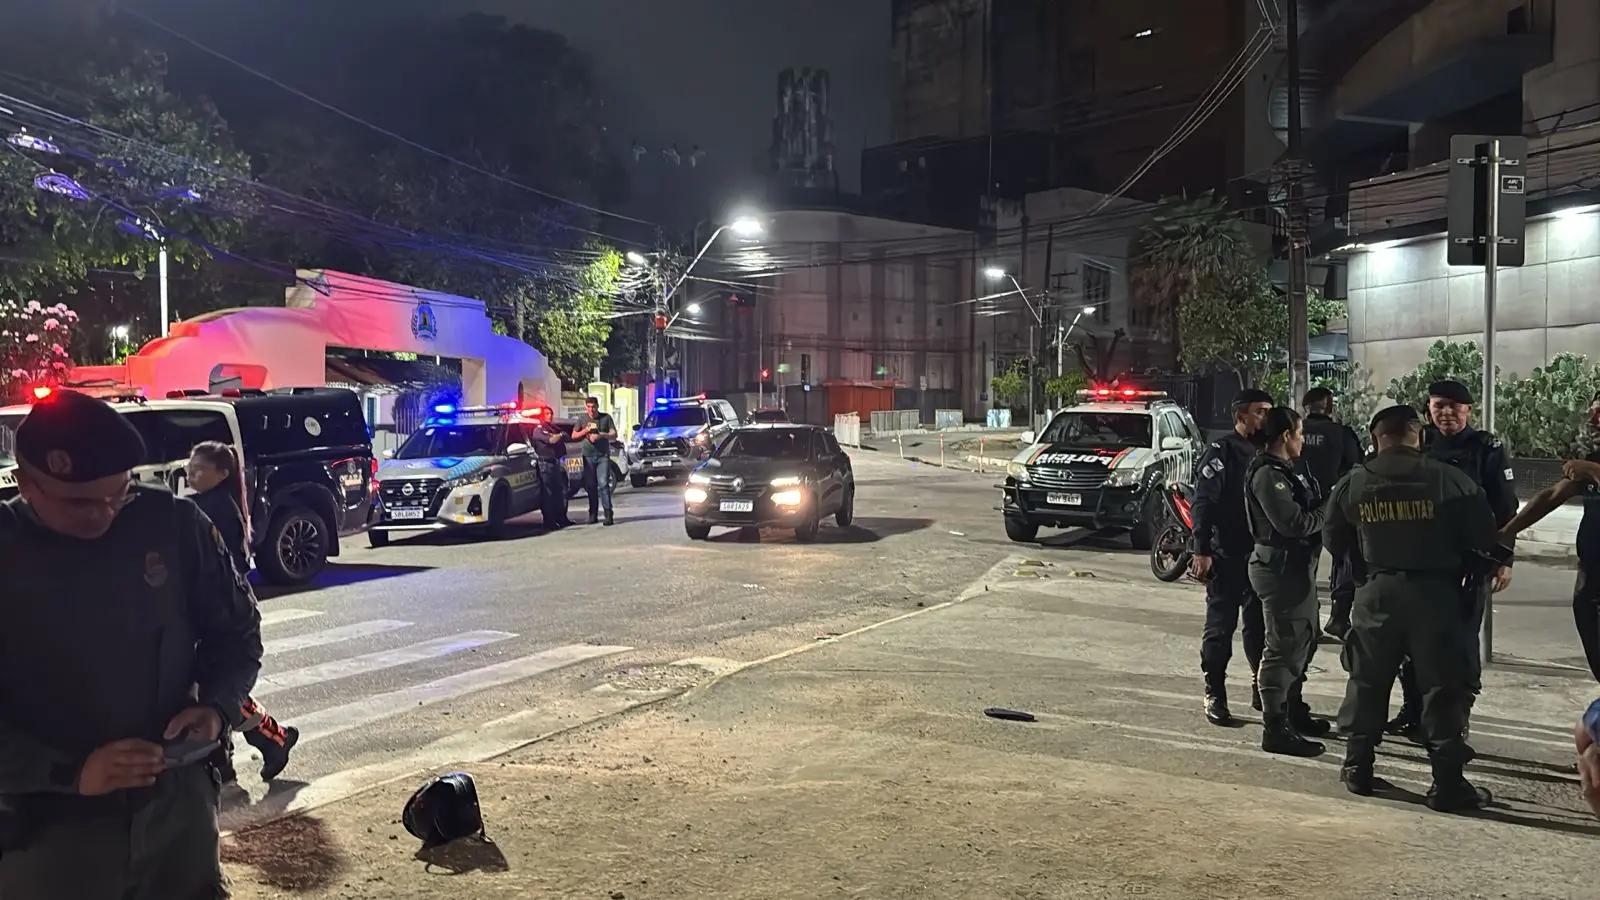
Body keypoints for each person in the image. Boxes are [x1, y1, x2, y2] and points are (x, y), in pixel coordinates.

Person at [0, 390, 262, 897]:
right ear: (25, 483)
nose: (101, 516)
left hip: (176, 816)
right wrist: (71, 772)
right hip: (47, 832)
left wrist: (216, 707)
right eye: (78, 504)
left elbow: (238, 635)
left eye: (117, 495)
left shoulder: (174, 525)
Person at [1324, 403, 1499, 811]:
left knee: (1367, 680)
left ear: (1376, 438)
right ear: (1418, 435)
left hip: (1377, 594)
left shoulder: (1354, 483)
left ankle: (1358, 767)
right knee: (1443, 686)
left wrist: (1367, 571)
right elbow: (1483, 538)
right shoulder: (1450, 479)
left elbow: (1335, 541)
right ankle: (1447, 783)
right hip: (1436, 596)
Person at [1387, 379, 1517, 740]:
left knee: (1460, 645)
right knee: (1411, 643)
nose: (1445, 412)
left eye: (1454, 406)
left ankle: (1457, 720)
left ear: (1468, 410)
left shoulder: (1486, 448)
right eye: (1438, 405)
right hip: (1418, 562)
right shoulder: (1418, 443)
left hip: (1466, 565)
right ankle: (1414, 712)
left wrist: (1505, 558)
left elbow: (1506, 508)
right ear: (1428, 408)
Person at [185, 441, 300, 783]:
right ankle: (269, 740)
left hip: (223, 616)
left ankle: (233, 758)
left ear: (222, 474)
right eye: (190, 467)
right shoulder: (198, 506)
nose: (191, 473)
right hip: (206, 614)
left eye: (199, 469)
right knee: (212, 689)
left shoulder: (215, 510)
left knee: (212, 691)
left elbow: (225, 566)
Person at [1244, 407, 1330, 756]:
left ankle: (1292, 709)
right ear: (1285, 436)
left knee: (1303, 639)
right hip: (1280, 569)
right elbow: (1293, 524)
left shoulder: (1286, 470)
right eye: (1300, 433)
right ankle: (1275, 727)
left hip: (1296, 569)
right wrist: (1328, 510)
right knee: (1282, 648)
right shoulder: (1268, 475)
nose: (1302, 440)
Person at [1496, 393, 1600, 681]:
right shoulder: (1593, 459)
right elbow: (1551, 496)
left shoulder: (1591, 466)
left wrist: (1593, 471)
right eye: (1592, 412)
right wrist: (1505, 533)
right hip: (1591, 580)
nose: (1593, 420)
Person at [1190, 388, 1274, 725]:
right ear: (1241, 416)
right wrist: (1201, 550)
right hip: (1226, 554)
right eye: (1260, 411)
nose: (1266, 418)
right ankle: (1215, 692)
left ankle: (1260, 684)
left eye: (1269, 411)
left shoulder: (1271, 451)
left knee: (1259, 627)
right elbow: (1203, 501)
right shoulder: (1222, 451)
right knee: (1220, 628)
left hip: (1262, 556)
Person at [1299, 387, 1363, 640]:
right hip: (1335, 505)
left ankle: (1309, 624)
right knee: (1344, 558)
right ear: (1330, 407)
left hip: (1299, 506)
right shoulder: (1341, 434)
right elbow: (1356, 467)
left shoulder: (1295, 431)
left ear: (1305, 408)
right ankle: (1338, 616)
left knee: (1305, 568)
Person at [572, 396, 618, 526]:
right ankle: (593, 513)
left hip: (602, 456)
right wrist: (585, 431)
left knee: (603, 484)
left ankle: (608, 513)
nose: (591, 410)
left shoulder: (606, 418)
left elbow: (614, 434)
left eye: (593, 407)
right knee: (591, 485)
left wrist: (601, 435)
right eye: (588, 407)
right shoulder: (582, 419)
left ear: (597, 406)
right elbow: (574, 435)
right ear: (585, 407)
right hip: (588, 456)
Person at [527, 412, 574, 529]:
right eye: (547, 414)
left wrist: (560, 435)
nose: (550, 416)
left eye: (551, 413)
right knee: (548, 494)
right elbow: (551, 440)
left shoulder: (553, 428)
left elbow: (567, 437)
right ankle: (549, 522)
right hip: (545, 464)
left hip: (556, 462)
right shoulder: (538, 430)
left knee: (559, 493)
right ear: (542, 416)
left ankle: (561, 519)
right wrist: (560, 435)